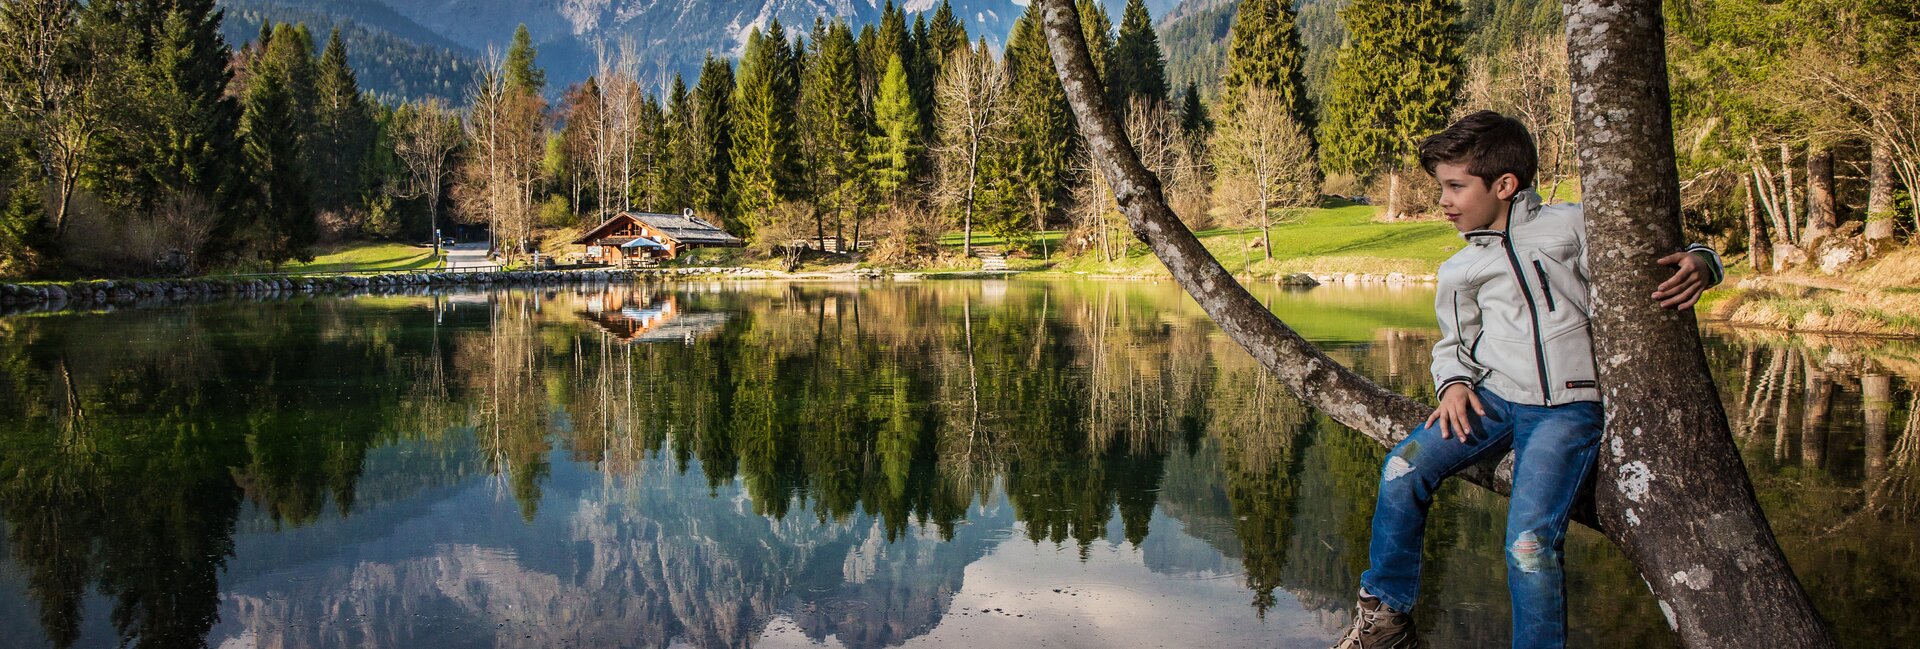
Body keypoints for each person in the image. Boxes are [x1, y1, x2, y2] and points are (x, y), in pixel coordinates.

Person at [1331, 111, 1723, 649]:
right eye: (1441, 187)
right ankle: (1386, 618)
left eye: (1455, 187)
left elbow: (1656, 257)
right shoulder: (1459, 269)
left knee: (1529, 545)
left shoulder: (1573, 226)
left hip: (1568, 411)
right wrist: (1454, 385)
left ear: (1504, 185)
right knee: (1402, 468)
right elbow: (1454, 344)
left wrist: (1703, 261)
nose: (1443, 201)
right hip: (1492, 400)